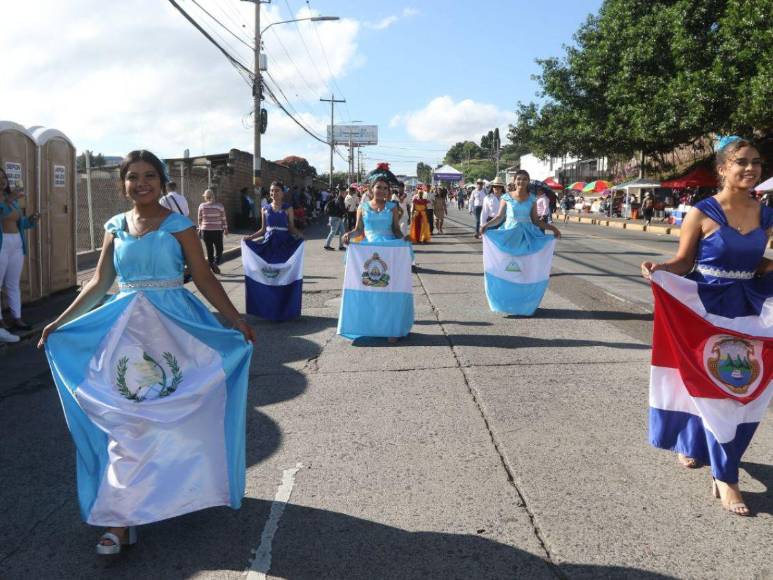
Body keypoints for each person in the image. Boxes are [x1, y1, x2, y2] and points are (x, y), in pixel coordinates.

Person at [38, 149, 255, 556]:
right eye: (133, 177)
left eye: (149, 176)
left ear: (162, 181)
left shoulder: (179, 226)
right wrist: (59, 322)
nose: (141, 184)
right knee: (125, 420)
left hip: (176, 331)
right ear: (122, 183)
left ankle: (179, 491)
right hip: (122, 334)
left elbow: (204, 278)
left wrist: (233, 320)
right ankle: (120, 520)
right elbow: (101, 283)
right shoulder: (115, 226)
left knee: (181, 414)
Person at [641, 137, 772, 517]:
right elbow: (684, 263)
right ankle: (725, 476)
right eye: (742, 162)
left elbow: (758, 262)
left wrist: (766, 267)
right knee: (703, 384)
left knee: (742, 387)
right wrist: (659, 270)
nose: (751, 169)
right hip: (705, 307)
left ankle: (719, 459)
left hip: (747, 308)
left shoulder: (766, 215)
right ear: (722, 169)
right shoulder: (702, 211)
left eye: (757, 163)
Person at [340, 163, 412, 342]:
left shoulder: (392, 207)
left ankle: (391, 328)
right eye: (378, 187)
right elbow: (358, 231)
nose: (381, 190)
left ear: (388, 191)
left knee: (390, 291)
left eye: (385, 188)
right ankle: (369, 326)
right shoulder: (362, 207)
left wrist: (404, 239)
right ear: (371, 189)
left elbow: (395, 229)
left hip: (389, 252)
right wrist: (348, 235)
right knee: (370, 291)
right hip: (368, 251)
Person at [481, 169, 561, 315]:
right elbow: (499, 217)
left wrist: (552, 228)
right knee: (507, 269)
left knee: (524, 270)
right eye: (519, 179)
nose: (521, 182)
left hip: (527, 237)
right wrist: (485, 226)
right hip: (510, 235)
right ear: (514, 181)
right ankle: (505, 302)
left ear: (528, 181)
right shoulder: (506, 197)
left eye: (524, 179)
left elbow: (536, 221)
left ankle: (523, 304)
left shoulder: (532, 199)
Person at [0, 168, 39, 341]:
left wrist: (30, 220)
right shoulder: (10, 200)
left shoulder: (12, 200)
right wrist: (9, 199)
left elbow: (19, 222)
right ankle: (1, 322)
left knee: (13, 284)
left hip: (16, 243)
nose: (2, 180)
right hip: (1, 245)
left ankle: (17, 318)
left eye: (4, 177)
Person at [197, 189, 228, 274]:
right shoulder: (220, 206)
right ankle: (215, 263)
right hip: (217, 231)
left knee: (209, 250)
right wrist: (225, 229)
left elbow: (199, 219)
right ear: (213, 196)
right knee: (220, 249)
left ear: (205, 197)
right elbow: (223, 218)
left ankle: (212, 265)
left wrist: (200, 228)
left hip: (205, 231)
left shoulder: (201, 206)